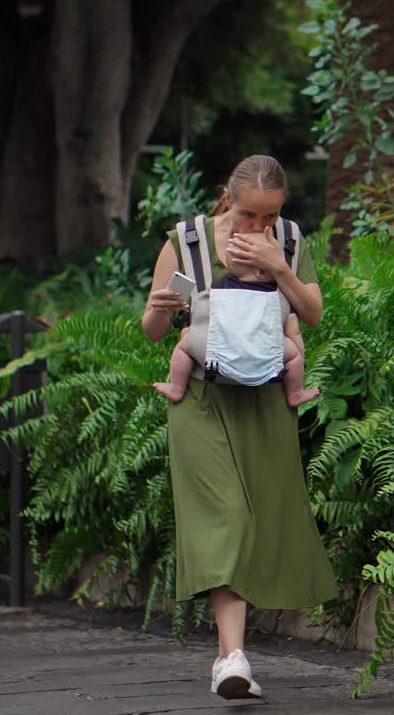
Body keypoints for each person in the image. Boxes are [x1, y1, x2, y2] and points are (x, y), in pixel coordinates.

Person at [140, 154, 338, 700]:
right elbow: (155, 330)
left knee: (252, 523)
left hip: (266, 403)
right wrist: (160, 308)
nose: (258, 227)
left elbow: (313, 315)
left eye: (269, 216)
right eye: (250, 215)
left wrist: (278, 265)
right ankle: (231, 658)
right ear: (228, 198)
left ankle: (232, 658)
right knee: (224, 517)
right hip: (200, 401)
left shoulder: (290, 241)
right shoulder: (189, 242)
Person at [151, 223, 320, 408]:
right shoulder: (280, 295)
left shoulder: (217, 288)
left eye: (243, 249)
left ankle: (176, 386)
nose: (232, 245)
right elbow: (292, 325)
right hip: (267, 355)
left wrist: (189, 331)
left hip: (214, 359)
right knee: (294, 355)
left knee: (184, 346)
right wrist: (295, 345)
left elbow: (201, 312)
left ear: (260, 270)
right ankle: (295, 393)